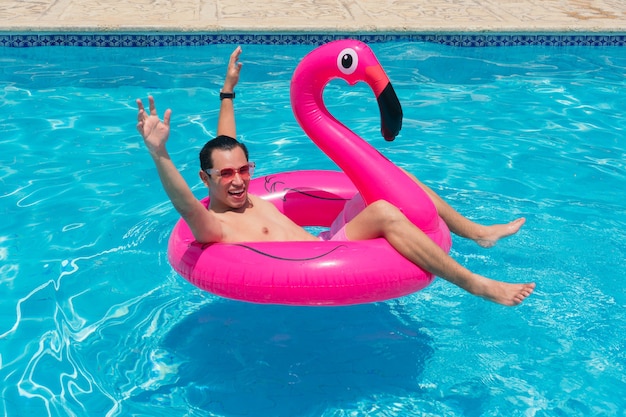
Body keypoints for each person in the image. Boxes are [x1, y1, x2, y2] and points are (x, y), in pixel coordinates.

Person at [136, 46, 535, 306]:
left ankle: (476, 232)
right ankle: (476, 284)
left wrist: (227, 92)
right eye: (226, 175)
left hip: (327, 243)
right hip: (317, 261)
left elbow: (227, 142)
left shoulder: (243, 190)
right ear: (205, 181)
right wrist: (159, 154)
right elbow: (183, 202)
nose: (239, 180)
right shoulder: (212, 224)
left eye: (244, 169)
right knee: (385, 211)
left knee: (394, 180)